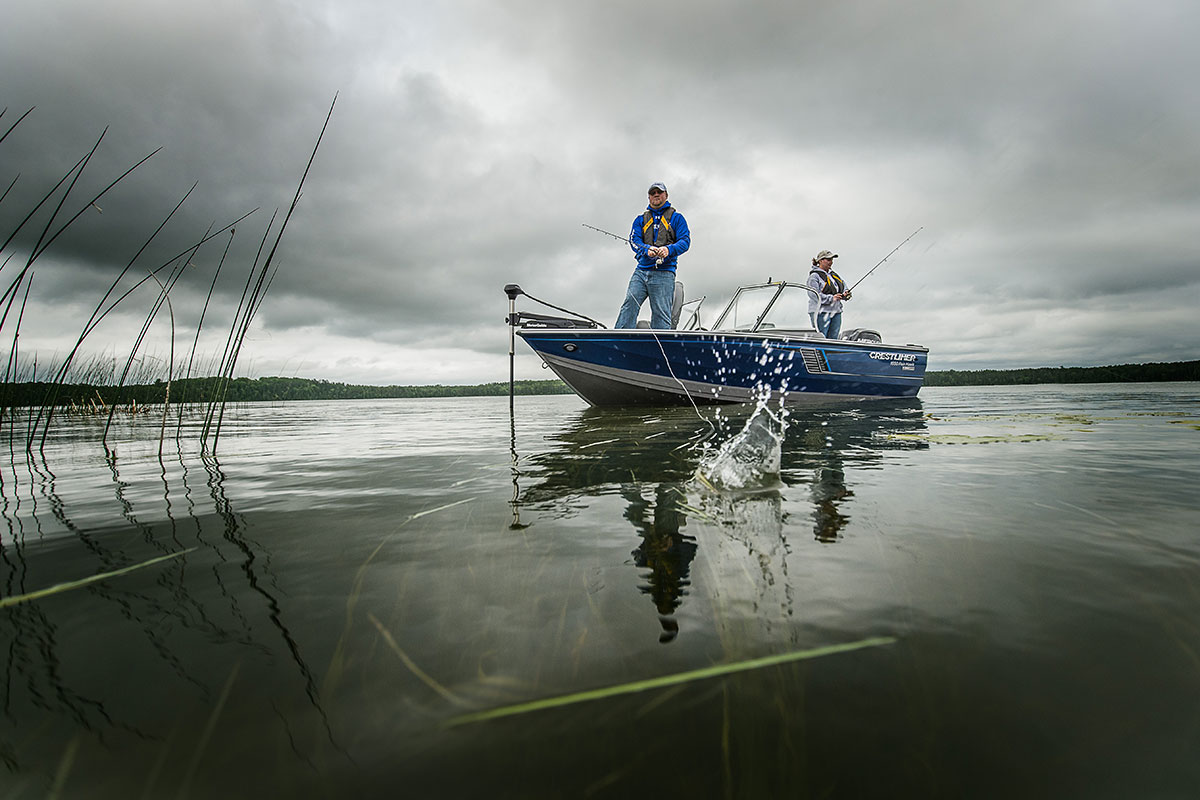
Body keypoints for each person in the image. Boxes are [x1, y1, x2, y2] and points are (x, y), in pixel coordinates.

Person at [614, 182, 691, 329]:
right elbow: (634, 240)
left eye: (659, 192)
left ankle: (660, 345)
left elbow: (685, 241)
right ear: (649, 197)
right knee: (630, 303)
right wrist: (647, 249)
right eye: (653, 192)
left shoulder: (677, 218)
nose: (656, 194)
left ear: (666, 195)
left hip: (665, 273)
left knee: (661, 313)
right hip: (641, 272)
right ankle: (620, 339)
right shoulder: (640, 219)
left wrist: (668, 249)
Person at [807, 249, 851, 339]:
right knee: (821, 338)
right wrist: (831, 298)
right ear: (820, 261)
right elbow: (813, 294)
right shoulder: (814, 276)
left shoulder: (834, 275)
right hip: (820, 313)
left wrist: (845, 294)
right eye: (828, 259)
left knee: (833, 339)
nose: (831, 262)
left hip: (836, 312)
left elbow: (844, 287)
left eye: (831, 260)